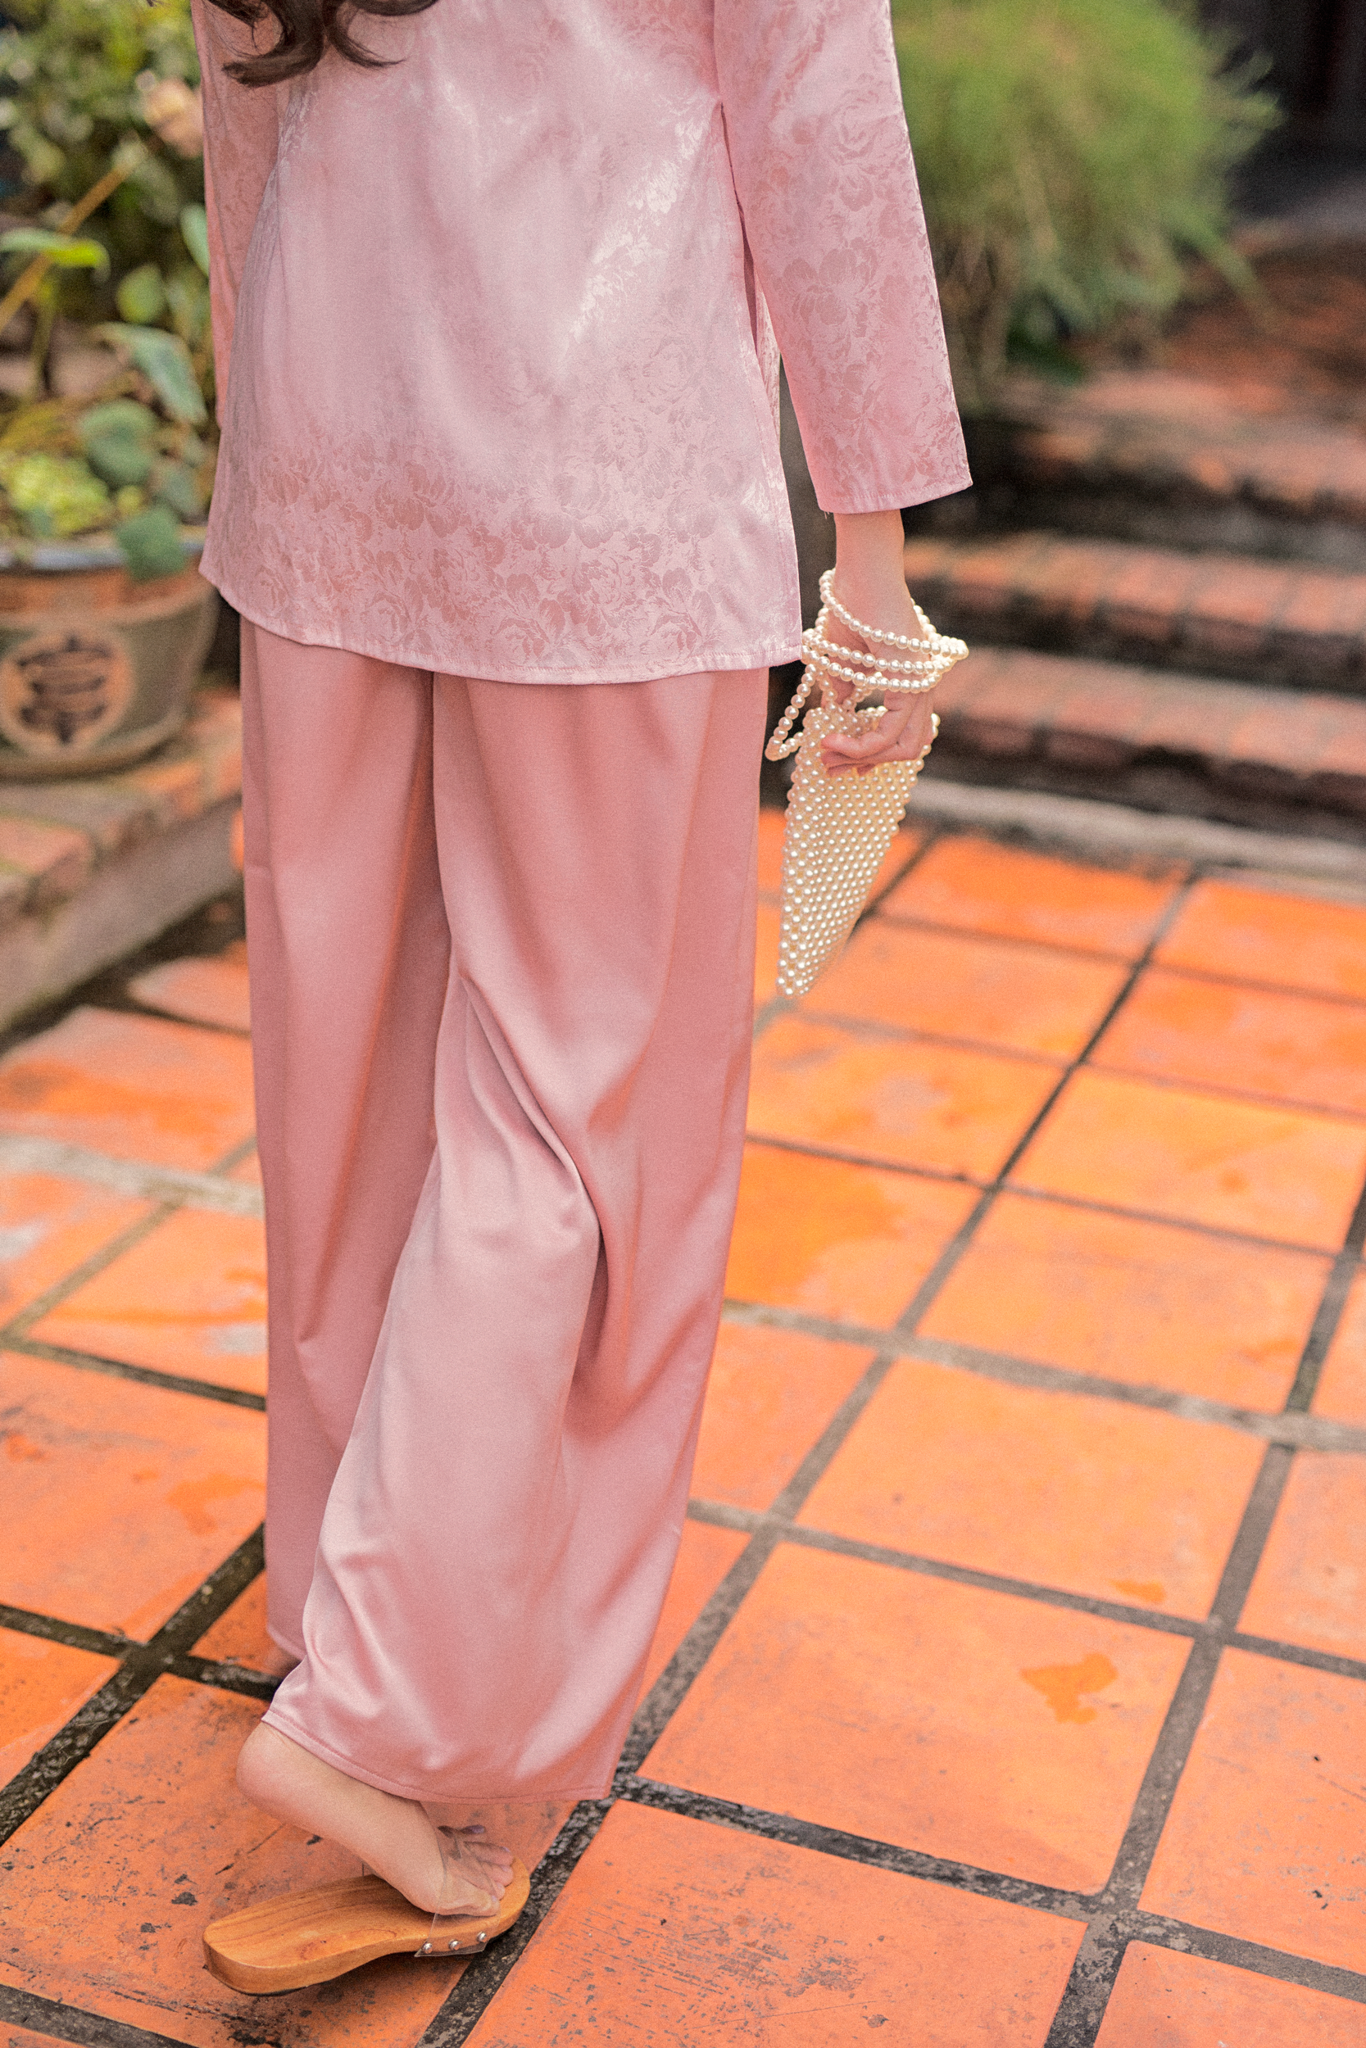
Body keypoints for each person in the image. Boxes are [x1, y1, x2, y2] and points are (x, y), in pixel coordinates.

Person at [191, 0, 969, 1988]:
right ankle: (393, 1721)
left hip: (323, 471)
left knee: (345, 1099)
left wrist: (258, 442)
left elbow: (241, 122)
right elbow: (817, 123)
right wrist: (871, 554)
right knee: (575, 1127)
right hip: (600, 500)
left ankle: (349, 1631)